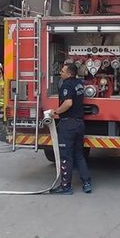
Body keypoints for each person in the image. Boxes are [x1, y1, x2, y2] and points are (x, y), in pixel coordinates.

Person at [48, 63, 92, 195]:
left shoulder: (66, 85)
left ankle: (65, 187)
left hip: (68, 125)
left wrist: (56, 112)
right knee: (79, 155)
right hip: (79, 124)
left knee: (66, 156)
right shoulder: (79, 84)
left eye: (62, 71)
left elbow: (68, 103)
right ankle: (87, 183)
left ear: (69, 73)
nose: (60, 73)